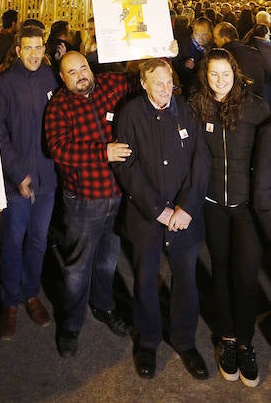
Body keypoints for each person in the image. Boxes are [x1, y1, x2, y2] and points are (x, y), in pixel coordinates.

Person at [112, 58, 210, 382]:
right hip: (147, 218)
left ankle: (184, 341)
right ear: (143, 83)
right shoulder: (129, 115)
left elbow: (201, 161)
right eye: (158, 82)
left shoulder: (188, 111)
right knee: (145, 282)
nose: (165, 88)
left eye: (169, 81)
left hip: (185, 217)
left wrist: (187, 207)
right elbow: (128, 168)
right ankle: (148, 342)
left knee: (186, 284)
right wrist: (159, 210)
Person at [44, 52, 136, 357]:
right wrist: (103, 152)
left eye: (83, 68)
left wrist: (164, 52)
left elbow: (146, 79)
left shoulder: (112, 84)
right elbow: (58, 149)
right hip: (84, 199)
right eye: (72, 72)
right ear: (62, 77)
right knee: (77, 267)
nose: (81, 75)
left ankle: (104, 306)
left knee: (108, 260)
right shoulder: (59, 106)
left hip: (117, 194)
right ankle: (71, 324)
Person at [189, 48, 268, 387]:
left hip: (246, 208)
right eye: (213, 75)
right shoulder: (198, 106)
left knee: (246, 278)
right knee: (220, 273)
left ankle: (247, 342)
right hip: (212, 205)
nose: (220, 81)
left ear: (235, 74)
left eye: (225, 74)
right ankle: (228, 341)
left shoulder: (256, 108)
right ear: (205, 76)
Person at [0, 25, 57, 340]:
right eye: (26, 48)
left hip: (48, 177)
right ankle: (10, 301)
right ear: (17, 50)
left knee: (39, 240)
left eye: (38, 47)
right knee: (14, 241)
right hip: (17, 178)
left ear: (44, 50)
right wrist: (17, 173)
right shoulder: (5, 83)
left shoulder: (50, 78)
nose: (32, 54)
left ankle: (30, 293)